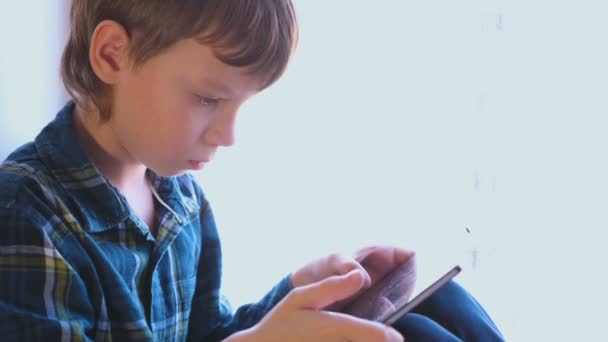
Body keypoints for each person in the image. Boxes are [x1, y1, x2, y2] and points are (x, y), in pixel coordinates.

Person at [0, 1, 504, 341]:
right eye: (207, 98)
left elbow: (210, 333)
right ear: (113, 54)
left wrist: (300, 291)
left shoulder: (181, 200)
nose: (229, 135)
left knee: (435, 308)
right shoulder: (28, 210)